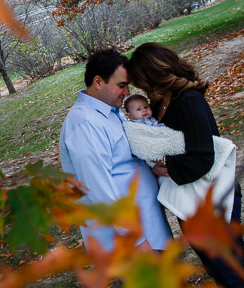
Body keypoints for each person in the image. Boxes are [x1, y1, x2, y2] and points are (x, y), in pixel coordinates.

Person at [125, 42, 244, 288]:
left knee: (231, 268)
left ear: (153, 74)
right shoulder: (159, 102)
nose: (140, 89)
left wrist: (165, 166)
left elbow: (202, 156)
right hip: (189, 199)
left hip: (212, 195)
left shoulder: (188, 100)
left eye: (141, 81)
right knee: (216, 267)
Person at [59, 50, 172, 253]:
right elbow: (98, 188)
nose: (127, 92)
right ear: (98, 82)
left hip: (149, 226)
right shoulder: (85, 124)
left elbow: (123, 162)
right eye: (121, 85)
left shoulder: (110, 111)